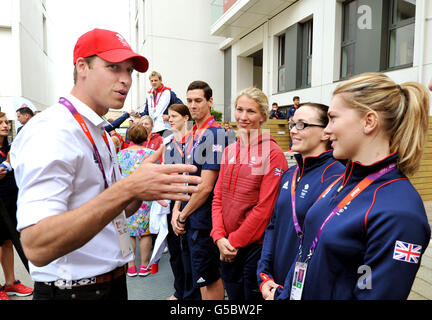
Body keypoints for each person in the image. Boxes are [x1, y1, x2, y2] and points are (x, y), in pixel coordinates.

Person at [10, 28, 201, 300]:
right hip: (73, 290)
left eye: (129, 71)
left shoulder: (96, 129)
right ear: (82, 67)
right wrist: (129, 187)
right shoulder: (53, 130)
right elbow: (37, 246)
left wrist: (141, 188)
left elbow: (112, 210)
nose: (125, 80)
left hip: (107, 283)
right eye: (113, 68)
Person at [271, 72, 431, 300]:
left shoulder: (400, 213)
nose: (326, 131)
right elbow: (306, 251)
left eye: (333, 118)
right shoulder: (342, 181)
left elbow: (371, 291)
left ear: (369, 122)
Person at [256, 103, 344, 300]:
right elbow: (273, 226)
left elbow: (320, 245)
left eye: (302, 125)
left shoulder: (339, 178)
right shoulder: (290, 175)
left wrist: (285, 291)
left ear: (325, 133)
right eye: (292, 124)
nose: (293, 131)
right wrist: (264, 274)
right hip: (274, 284)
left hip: (304, 289)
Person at [211, 87, 288, 300]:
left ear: (263, 116)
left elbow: (265, 209)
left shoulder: (273, 154)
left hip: (253, 249)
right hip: (226, 244)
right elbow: (218, 197)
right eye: (239, 110)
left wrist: (233, 241)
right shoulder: (229, 150)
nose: (243, 117)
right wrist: (218, 236)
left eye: (251, 111)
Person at [171, 80, 226, 300]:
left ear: (210, 102)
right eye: (190, 101)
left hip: (203, 219)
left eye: (198, 101)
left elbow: (205, 187)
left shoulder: (215, 134)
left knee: (208, 278)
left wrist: (183, 215)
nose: (193, 105)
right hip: (188, 215)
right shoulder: (193, 132)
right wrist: (176, 209)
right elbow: (186, 176)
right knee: (196, 277)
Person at [164, 103, 201, 300]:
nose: (170, 119)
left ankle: (192, 293)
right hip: (172, 200)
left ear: (186, 118)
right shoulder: (169, 143)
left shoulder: (195, 142)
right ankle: (180, 291)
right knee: (175, 251)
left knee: (189, 251)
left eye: (175, 116)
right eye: (169, 116)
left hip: (187, 199)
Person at [0, 112, 33, 300]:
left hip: (11, 202)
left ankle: (10, 282)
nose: (5, 125)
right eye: (1, 123)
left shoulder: (11, 149)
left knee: (8, 241)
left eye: (6, 122)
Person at [117, 124, 154, 277]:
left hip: (127, 194)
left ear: (129, 137)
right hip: (146, 195)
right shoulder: (151, 154)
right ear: (146, 136)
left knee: (129, 232)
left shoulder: (121, 154)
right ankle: (144, 266)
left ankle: (131, 266)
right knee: (145, 232)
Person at [141, 71, 174, 136]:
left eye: (155, 80)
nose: (153, 82)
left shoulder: (168, 93)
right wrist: (138, 115)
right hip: (153, 129)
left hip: (165, 128)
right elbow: (146, 112)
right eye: (151, 81)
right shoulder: (149, 95)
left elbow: (181, 107)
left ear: (160, 80)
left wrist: (170, 116)